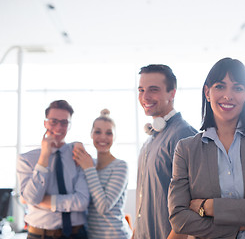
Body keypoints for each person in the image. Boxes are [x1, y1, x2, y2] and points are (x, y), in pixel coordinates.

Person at [168, 57, 245, 238]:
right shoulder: (186, 150)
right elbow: (179, 219)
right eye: (220, 86)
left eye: (238, 88)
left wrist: (207, 207)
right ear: (207, 92)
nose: (228, 95)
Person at [133, 64, 197, 239]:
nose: (145, 96)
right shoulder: (150, 140)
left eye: (153, 89)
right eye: (141, 90)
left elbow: (194, 204)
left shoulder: (184, 135)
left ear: (172, 93)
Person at [17, 100, 89, 239]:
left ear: (69, 125)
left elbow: (82, 201)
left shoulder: (78, 154)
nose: (59, 127)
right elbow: (31, 198)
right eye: (53, 121)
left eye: (64, 122)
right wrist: (44, 158)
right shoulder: (26, 159)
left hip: (76, 234)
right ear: (45, 123)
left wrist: (46, 202)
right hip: (40, 234)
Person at [73, 109, 132, 239]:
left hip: (116, 236)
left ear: (115, 137)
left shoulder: (120, 166)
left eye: (109, 133)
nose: (103, 137)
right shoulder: (89, 165)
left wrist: (88, 169)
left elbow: (103, 207)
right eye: (98, 132)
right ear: (91, 134)